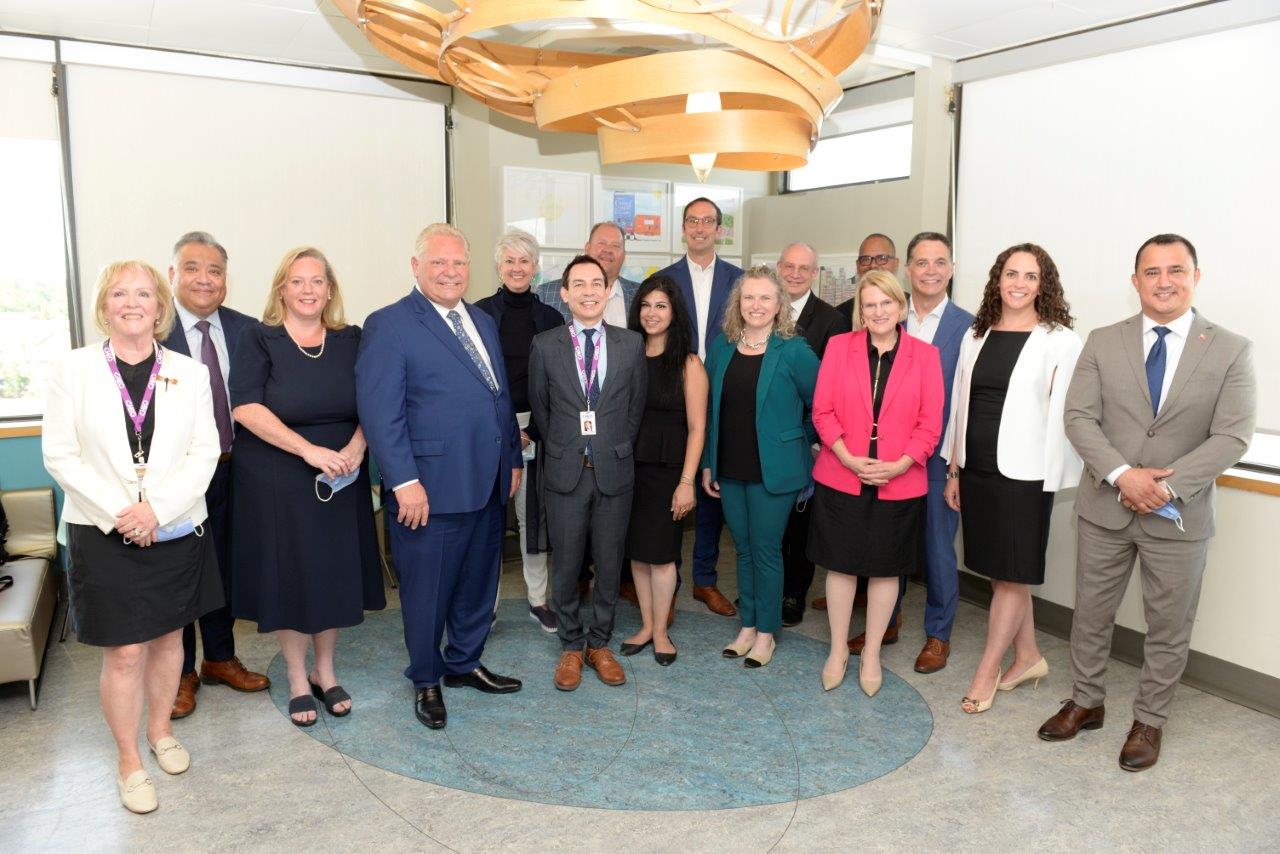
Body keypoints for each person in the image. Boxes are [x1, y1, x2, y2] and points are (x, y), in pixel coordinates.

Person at [1038, 234, 1255, 771]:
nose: (1164, 281)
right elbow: (1079, 418)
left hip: (1178, 515)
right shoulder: (1102, 340)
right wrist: (1122, 475)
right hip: (1104, 507)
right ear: (1135, 281)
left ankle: (1149, 721)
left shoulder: (1230, 348)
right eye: (1152, 272)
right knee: (1090, 614)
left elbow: (1232, 436)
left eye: (1176, 270)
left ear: (1196, 277)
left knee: (1169, 625)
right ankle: (1086, 701)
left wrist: (1163, 486)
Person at [43, 261, 222, 813]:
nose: (131, 302)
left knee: (170, 639)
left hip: (174, 525)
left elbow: (205, 450)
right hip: (103, 527)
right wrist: (125, 512)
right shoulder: (72, 371)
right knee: (124, 652)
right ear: (104, 305)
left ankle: (161, 730)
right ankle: (128, 760)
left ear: (159, 305)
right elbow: (60, 454)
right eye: (119, 293)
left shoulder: (188, 373)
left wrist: (156, 510)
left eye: (143, 293)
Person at [357, 223, 525, 731]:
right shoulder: (389, 324)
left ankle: (464, 662)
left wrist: (513, 457)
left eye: (458, 263)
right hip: (428, 490)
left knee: (479, 582)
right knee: (427, 591)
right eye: (438, 263)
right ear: (416, 268)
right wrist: (403, 480)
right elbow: (380, 412)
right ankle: (426, 677)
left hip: (488, 479)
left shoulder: (482, 320)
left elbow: (499, 397)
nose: (450, 272)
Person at [228, 247, 385, 726]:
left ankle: (325, 671)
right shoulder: (259, 338)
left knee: (332, 577)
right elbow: (246, 408)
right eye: (297, 281)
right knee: (291, 578)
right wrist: (308, 451)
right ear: (282, 289)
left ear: (330, 289)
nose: (308, 290)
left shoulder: (351, 339)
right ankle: (297, 677)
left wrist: (358, 447)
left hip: (341, 477)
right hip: (279, 478)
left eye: (317, 281)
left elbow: (374, 400)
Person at [940, 244, 1082, 714]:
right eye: (1011, 273)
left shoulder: (1059, 339)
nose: (1019, 283)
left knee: (1011, 575)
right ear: (997, 278)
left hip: (1024, 475)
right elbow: (961, 402)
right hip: (976, 468)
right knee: (1006, 573)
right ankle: (1029, 656)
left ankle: (987, 671)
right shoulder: (977, 333)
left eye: (1031, 276)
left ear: (1045, 286)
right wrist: (954, 467)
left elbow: (1065, 416)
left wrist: (1053, 479)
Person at [808, 271, 942, 695]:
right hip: (841, 474)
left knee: (886, 570)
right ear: (859, 310)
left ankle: (870, 655)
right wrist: (847, 457)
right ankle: (836, 650)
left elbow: (930, 424)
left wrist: (900, 465)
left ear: (900, 308)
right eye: (869, 305)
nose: (878, 312)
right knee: (842, 565)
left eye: (886, 303)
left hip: (899, 481)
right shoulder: (837, 347)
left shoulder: (925, 356)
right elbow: (822, 411)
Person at [847, 232, 974, 673]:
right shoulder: (887, 317)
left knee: (938, 548)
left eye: (940, 262)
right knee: (890, 544)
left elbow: (965, 400)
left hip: (938, 458)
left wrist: (955, 463)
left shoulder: (971, 326)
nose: (931, 270)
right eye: (922, 262)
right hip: (887, 460)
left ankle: (939, 635)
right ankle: (888, 621)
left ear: (952, 269)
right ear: (907, 268)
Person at [160, 231, 269, 719]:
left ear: (226, 279)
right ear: (172, 276)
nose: (205, 279)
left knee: (225, 567)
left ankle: (220, 659)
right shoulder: (155, 334)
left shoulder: (249, 330)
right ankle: (181, 672)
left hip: (236, 471)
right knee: (182, 573)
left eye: (215, 271)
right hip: (178, 478)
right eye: (193, 268)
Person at [529, 255, 647, 690]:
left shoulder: (630, 344)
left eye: (596, 283)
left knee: (611, 563)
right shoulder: (545, 345)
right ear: (564, 293)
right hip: (565, 471)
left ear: (607, 289)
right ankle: (571, 647)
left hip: (614, 469)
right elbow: (541, 410)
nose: (588, 291)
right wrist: (570, 446)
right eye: (578, 284)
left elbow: (634, 410)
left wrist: (610, 446)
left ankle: (600, 643)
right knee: (567, 564)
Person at [703, 266, 819, 668]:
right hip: (731, 465)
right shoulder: (722, 346)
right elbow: (711, 412)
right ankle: (748, 624)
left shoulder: (794, 351)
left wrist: (800, 440)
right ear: (738, 302)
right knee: (744, 549)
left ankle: (767, 632)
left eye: (765, 298)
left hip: (776, 469)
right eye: (749, 297)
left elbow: (819, 404)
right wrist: (707, 464)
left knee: (767, 550)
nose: (756, 305)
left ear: (778, 305)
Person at [656, 199, 745, 618]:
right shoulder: (662, 280)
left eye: (708, 221)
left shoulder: (740, 281)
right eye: (693, 221)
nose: (700, 228)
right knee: (673, 487)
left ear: (719, 229)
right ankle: (666, 583)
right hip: (675, 398)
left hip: (726, 400)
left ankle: (704, 581)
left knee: (712, 491)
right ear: (683, 228)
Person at [474, 229, 564, 633]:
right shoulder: (477, 314)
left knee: (533, 520)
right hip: (492, 430)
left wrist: (533, 431)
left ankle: (538, 601)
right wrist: (508, 430)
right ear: (498, 266)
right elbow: (474, 382)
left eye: (524, 261)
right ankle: (485, 606)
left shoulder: (551, 318)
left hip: (536, 430)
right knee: (490, 519)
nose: (516, 268)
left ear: (535, 267)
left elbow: (559, 385)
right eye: (509, 260)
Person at [619, 276, 709, 665]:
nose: (651, 313)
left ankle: (660, 632)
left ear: (674, 314)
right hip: (628, 470)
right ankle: (644, 624)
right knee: (638, 555)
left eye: (660, 306)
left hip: (669, 472)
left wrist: (687, 482)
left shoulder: (689, 364)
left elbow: (698, 428)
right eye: (645, 306)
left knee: (663, 556)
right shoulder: (627, 354)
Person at [775, 242, 850, 626]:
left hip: (808, 436)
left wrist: (822, 440)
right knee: (770, 519)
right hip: (769, 433)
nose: (794, 274)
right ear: (778, 267)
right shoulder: (762, 310)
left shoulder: (832, 320)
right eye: (788, 266)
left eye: (804, 268)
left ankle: (793, 593)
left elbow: (833, 386)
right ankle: (770, 586)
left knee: (800, 522)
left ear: (815, 273)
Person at [537, 221, 640, 325]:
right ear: (587, 248)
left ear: (624, 255)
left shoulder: (640, 294)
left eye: (615, 245)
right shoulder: (546, 294)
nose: (608, 250)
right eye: (601, 243)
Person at [833, 233, 900, 325]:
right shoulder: (839, 315)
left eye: (881, 258)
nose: (873, 265)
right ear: (857, 266)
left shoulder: (911, 308)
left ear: (896, 264)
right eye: (865, 259)